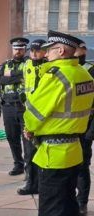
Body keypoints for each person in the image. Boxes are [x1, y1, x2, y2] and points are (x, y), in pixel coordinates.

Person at [24, 30, 94, 216]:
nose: (46, 54)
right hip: (74, 150)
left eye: (50, 50)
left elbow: (33, 113)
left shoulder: (56, 76)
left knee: (51, 207)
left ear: (61, 51)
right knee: (68, 203)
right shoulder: (84, 74)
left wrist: (29, 129)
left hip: (53, 154)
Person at [0, 37, 29, 176]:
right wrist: (19, 76)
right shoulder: (6, 64)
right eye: (16, 49)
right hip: (8, 106)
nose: (18, 51)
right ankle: (18, 164)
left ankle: (30, 168)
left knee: (27, 138)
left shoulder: (29, 64)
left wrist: (10, 76)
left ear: (25, 49)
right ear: (12, 49)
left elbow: (27, 77)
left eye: (21, 49)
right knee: (12, 137)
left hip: (24, 106)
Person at [17, 39, 46, 195]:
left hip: (44, 116)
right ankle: (31, 183)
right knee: (29, 152)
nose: (34, 53)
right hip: (28, 114)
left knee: (42, 151)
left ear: (44, 51)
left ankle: (42, 183)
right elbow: (23, 83)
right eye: (32, 50)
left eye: (38, 50)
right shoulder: (26, 65)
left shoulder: (49, 67)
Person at [74, 39, 94, 215]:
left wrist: (91, 132)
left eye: (78, 48)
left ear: (84, 50)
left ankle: (82, 202)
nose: (75, 51)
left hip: (85, 128)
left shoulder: (90, 70)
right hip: (69, 129)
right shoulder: (66, 70)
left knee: (82, 168)